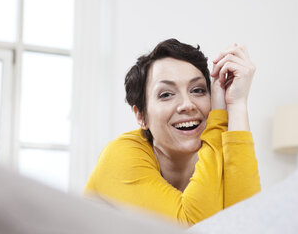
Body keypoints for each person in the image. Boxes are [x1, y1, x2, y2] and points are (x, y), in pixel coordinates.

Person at [84, 38, 261, 226]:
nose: (187, 104)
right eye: (166, 94)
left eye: (198, 90)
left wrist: (237, 103)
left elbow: (248, 224)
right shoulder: (119, 156)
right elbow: (194, 228)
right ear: (141, 116)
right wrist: (218, 119)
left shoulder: (215, 155)